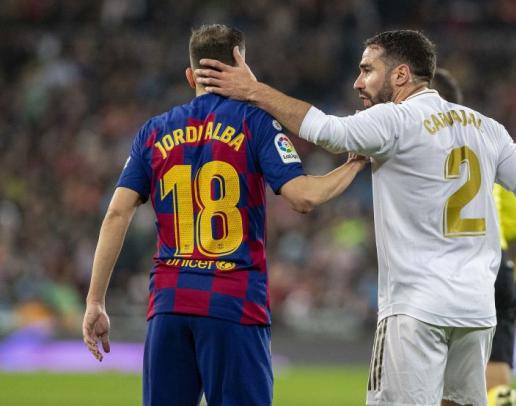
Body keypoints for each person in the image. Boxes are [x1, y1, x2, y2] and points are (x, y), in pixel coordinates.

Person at [196, 30, 516, 406]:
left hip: (416, 310)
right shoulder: (487, 128)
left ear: (400, 75)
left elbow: (326, 131)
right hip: (476, 311)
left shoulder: (395, 120)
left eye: (367, 70)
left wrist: (254, 90)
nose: (358, 82)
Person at [82, 24, 366, 406]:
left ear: (190, 75)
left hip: (169, 303)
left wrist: (95, 301)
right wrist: (355, 163)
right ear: (240, 64)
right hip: (232, 304)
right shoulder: (257, 123)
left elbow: (117, 212)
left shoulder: (153, 131)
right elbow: (303, 198)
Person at [433, 69, 516, 406]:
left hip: (454, 263)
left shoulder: (425, 146)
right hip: (499, 263)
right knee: (498, 364)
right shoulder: (489, 142)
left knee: (447, 375)